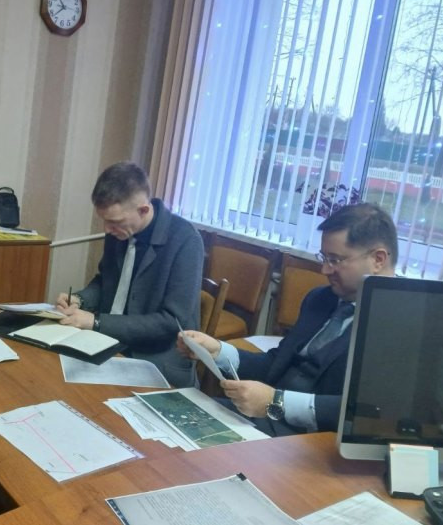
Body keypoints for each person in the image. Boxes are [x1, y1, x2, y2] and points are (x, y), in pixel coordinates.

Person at [179, 203, 398, 435]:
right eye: (324, 257)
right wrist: (218, 351)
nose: (324, 270)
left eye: (335, 260)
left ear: (378, 259)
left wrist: (276, 401)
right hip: (265, 420)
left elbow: (370, 410)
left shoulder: (400, 324)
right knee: (180, 415)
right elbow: (276, 364)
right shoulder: (320, 299)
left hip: (316, 440)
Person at [56, 162, 204, 387]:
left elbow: (172, 322)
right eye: (104, 220)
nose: (107, 229)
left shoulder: (185, 240)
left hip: (155, 360)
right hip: (107, 344)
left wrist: (96, 322)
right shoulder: (119, 232)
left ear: (143, 210)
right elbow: (105, 281)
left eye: (114, 222)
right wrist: (80, 299)